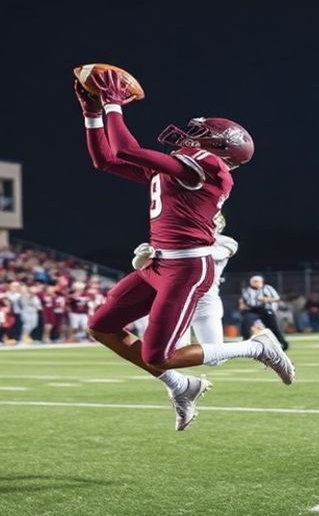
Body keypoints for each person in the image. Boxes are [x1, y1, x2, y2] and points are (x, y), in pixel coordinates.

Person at [75, 70, 293, 432]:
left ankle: (258, 347)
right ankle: (182, 386)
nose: (190, 136)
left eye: (201, 134)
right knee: (101, 327)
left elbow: (127, 149)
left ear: (219, 148)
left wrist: (112, 102)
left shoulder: (209, 168)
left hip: (187, 271)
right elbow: (106, 160)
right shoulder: (182, 170)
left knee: (157, 353)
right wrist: (92, 112)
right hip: (159, 264)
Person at [172, 212, 238, 347]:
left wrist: (181, 248)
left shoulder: (225, 242)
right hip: (179, 298)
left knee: (215, 355)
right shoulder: (181, 240)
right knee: (174, 350)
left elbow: (216, 254)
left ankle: (255, 346)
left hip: (205, 299)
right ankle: (172, 368)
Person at [239, 275, 289, 348]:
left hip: (265, 309)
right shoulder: (246, 290)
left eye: (257, 281)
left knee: (273, 327)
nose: (256, 283)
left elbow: (277, 298)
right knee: (246, 323)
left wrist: (267, 299)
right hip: (252, 310)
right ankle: (245, 342)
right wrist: (242, 305)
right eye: (254, 282)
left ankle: (283, 343)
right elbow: (242, 299)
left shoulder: (267, 288)